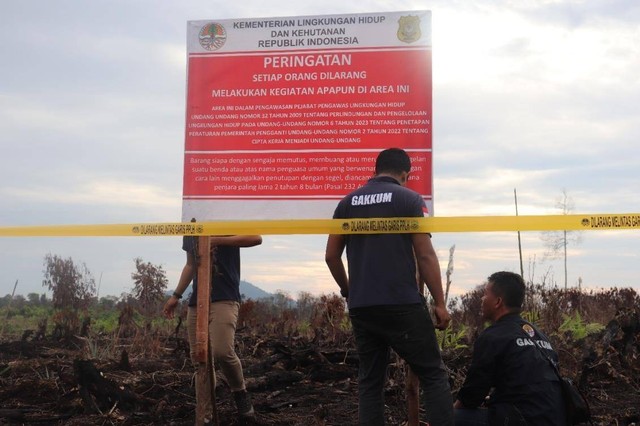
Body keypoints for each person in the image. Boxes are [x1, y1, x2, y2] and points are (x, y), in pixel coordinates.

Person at [325, 147, 454, 426]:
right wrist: (440, 303)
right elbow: (425, 254)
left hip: (363, 307)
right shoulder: (410, 199)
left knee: (370, 382)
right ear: (405, 174)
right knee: (432, 374)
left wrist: (349, 290)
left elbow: (331, 256)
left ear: (376, 170)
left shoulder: (347, 203)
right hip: (402, 305)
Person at [163, 233, 262, 422]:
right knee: (200, 361)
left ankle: (240, 393)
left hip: (225, 296)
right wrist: (176, 296)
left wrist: (216, 240)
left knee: (222, 351)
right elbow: (191, 265)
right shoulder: (191, 226)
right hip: (197, 301)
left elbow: (256, 238)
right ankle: (205, 416)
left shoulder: (226, 215)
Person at [454, 271, 567, 425]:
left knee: (448, 419)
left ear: (498, 302)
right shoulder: (538, 335)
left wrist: (450, 413)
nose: (482, 299)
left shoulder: (493, 336)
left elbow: (472, 395)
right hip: (555, 419)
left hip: (522, 420)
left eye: (485, 294)